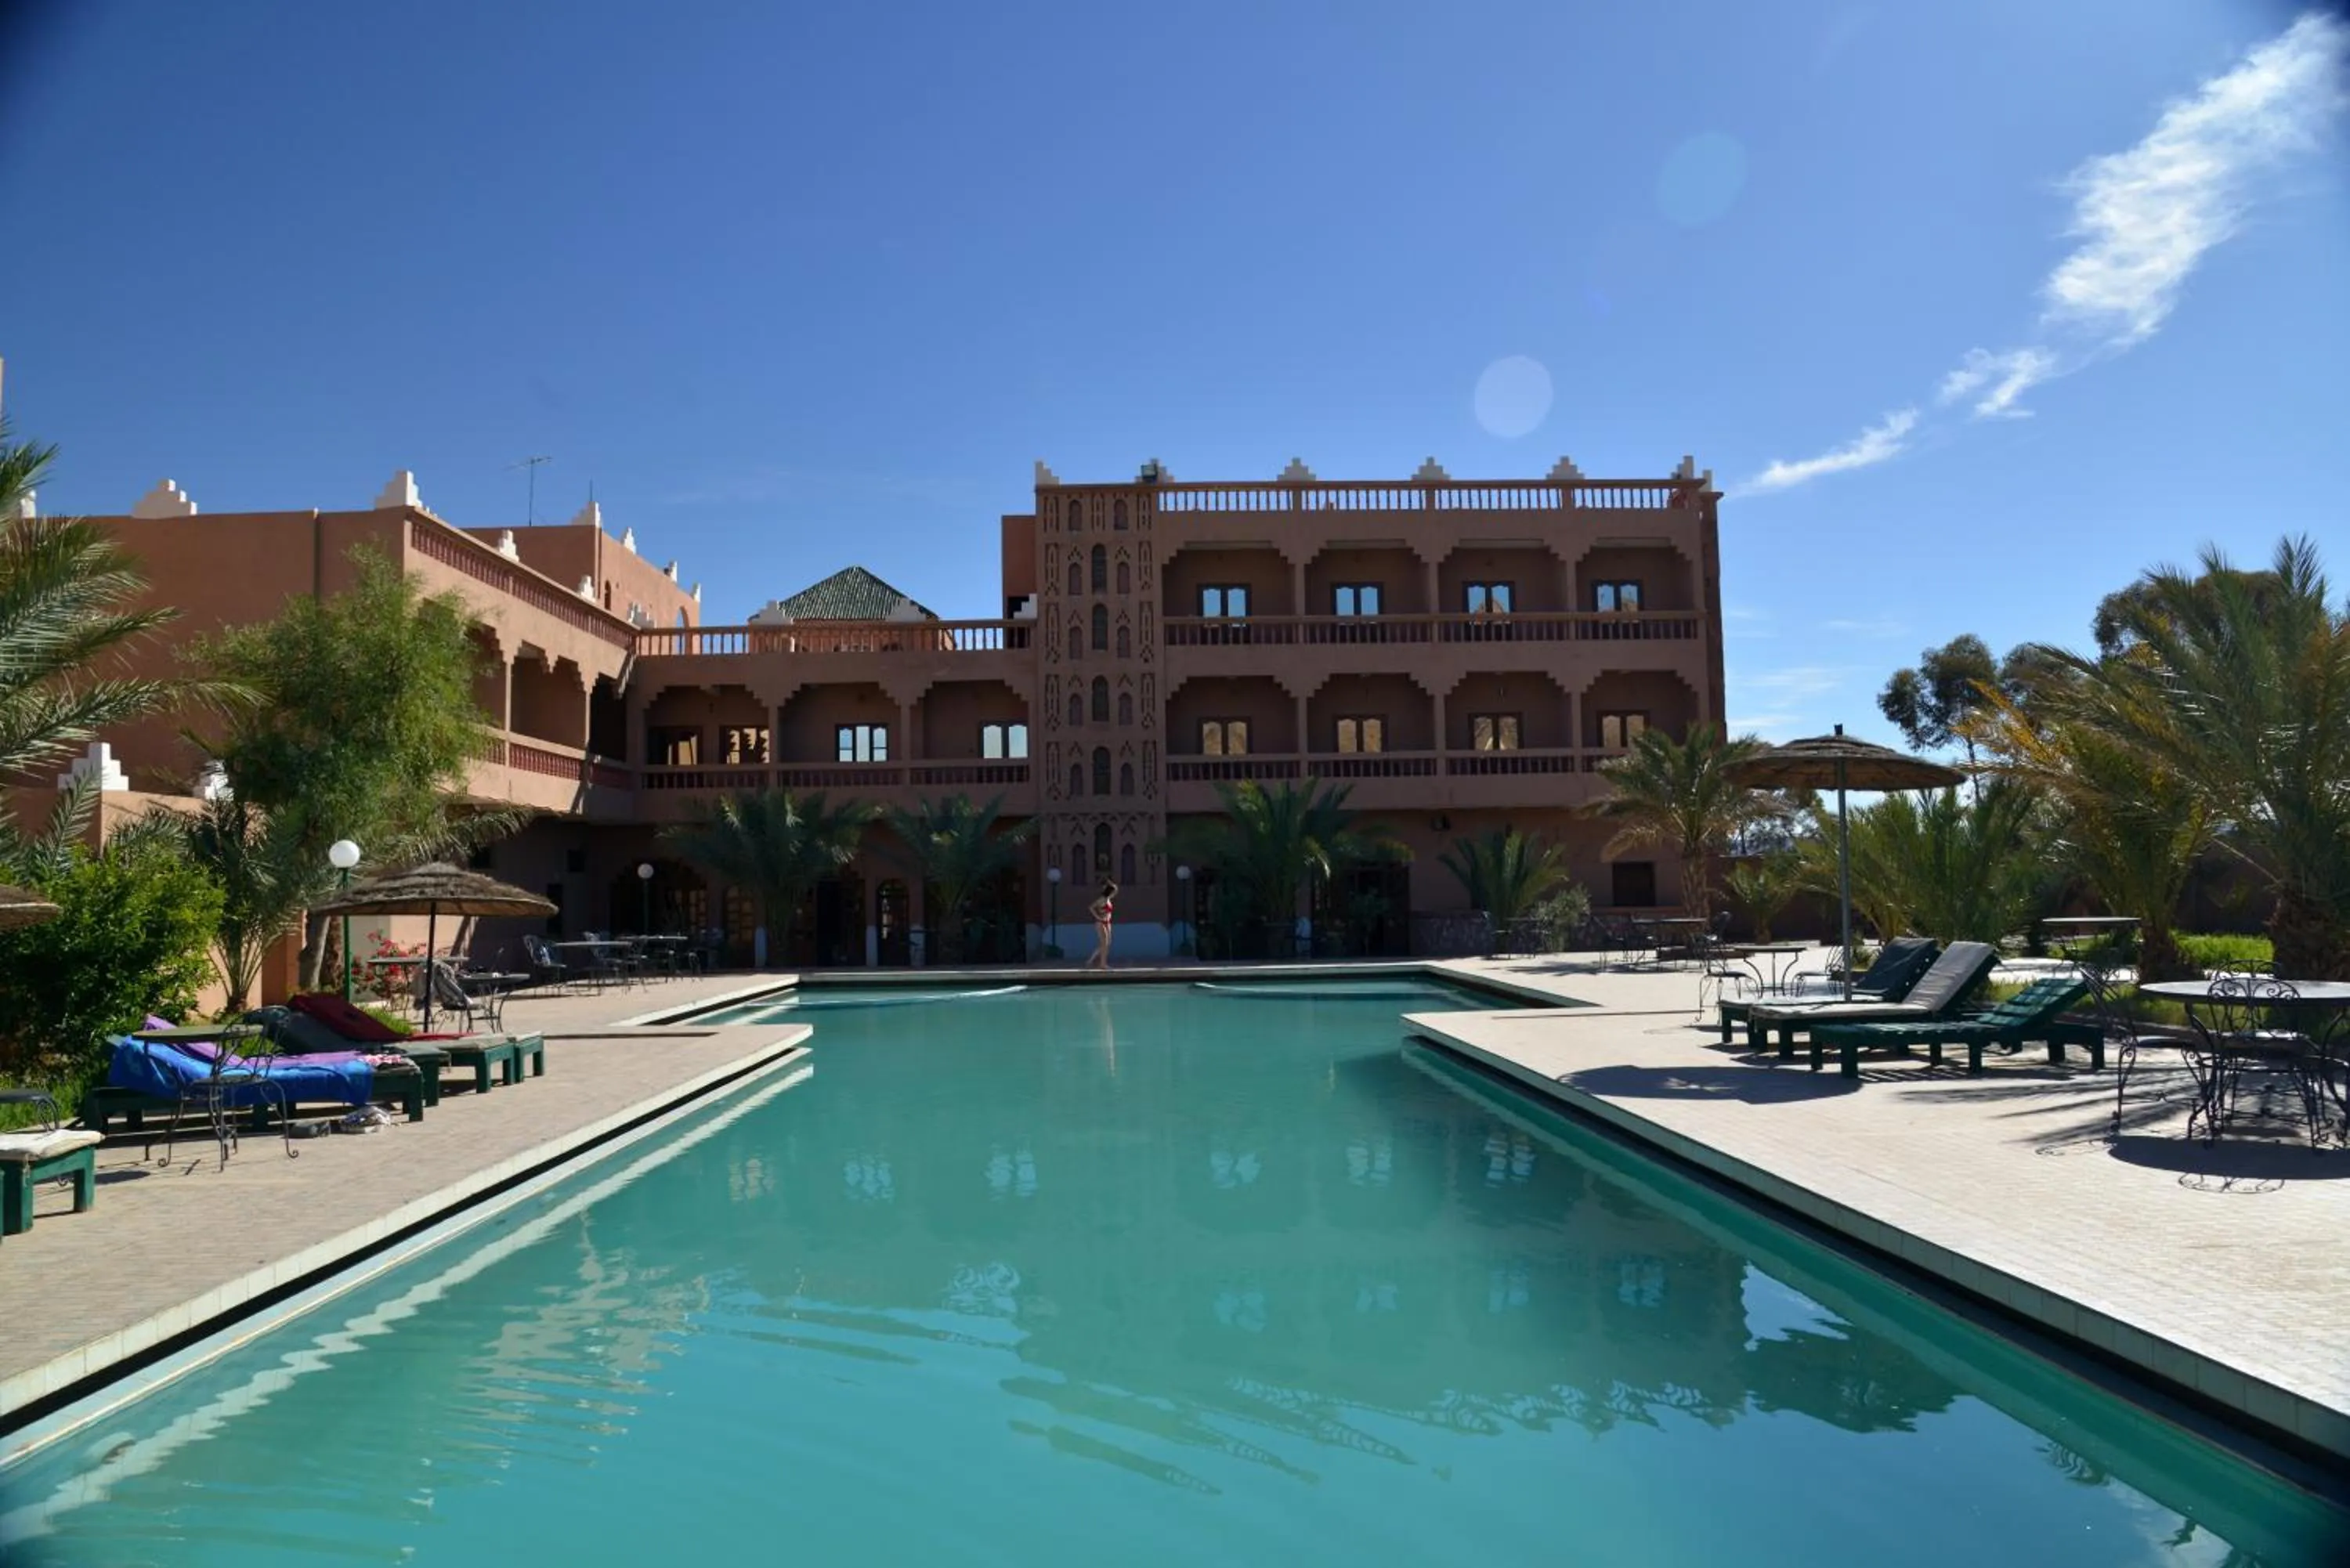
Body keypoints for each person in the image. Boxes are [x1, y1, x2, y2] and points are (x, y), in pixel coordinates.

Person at [1087, 880, 1117, 970]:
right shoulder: (1102, 899)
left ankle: (1092, 960)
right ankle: (1102, 964)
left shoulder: (1108, 900)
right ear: (1110, 891)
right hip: (1101, 922)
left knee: (1107, 943)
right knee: (1104, 943)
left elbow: (1108, 912)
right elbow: (1091, 907)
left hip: (1107, 922)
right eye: (1114, 891)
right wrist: (1098, 917)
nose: (1115, 893)